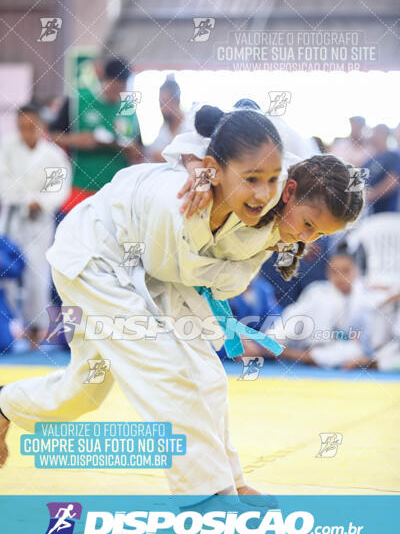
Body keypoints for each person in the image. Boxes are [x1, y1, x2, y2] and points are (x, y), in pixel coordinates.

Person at [0, 105, 364, 499]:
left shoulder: (272, 192)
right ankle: (205, 494)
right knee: (170, 370)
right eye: (308, 225)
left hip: (157, 271)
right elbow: (206, 132)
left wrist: (263, 236)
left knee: (103, 389)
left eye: (316, 234)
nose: (306, 240)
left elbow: (220, 281)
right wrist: (196, 169)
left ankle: (5, 404)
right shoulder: (189, 200)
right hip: (98, 257)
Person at [0, 103, 71, 347]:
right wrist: (22, 199)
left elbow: (59, 189)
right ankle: (6, 327)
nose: (26, 133)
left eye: (31, 127)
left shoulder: (53, 155)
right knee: (5, 272)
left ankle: (35, 329)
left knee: (37, 274)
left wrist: (38, 202)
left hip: (39, 220)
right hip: (11, 216)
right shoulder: (7, 147)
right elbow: (3, 177)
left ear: (42, 126)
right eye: (21, 127)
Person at [49, 57, 143, 212]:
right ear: (103, 79)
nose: (118, 95)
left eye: (123, 90)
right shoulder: (77, 100)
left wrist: (133, 151)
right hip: (80, 188)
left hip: (117, 193)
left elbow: (139, 149)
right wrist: (76, 140)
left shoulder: (128, 107)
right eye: (114, 89)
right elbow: (52, 136)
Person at [148, 77, 193, 162]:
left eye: (165, 103)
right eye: (160, 103)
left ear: (177, 101)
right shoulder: (164, 128)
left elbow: (192, 157)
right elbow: (153, 152)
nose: (162, 108)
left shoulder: (191, 126)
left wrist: (165, 157)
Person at [363, 124, 400, 214]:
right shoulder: (370, 159)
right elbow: (357, 177)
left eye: (375, 132)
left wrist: (368, 196)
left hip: (386, 214)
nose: (372, 136)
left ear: (383, 134)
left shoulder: (393, 156)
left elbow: (392, 182)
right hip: (368, 214)